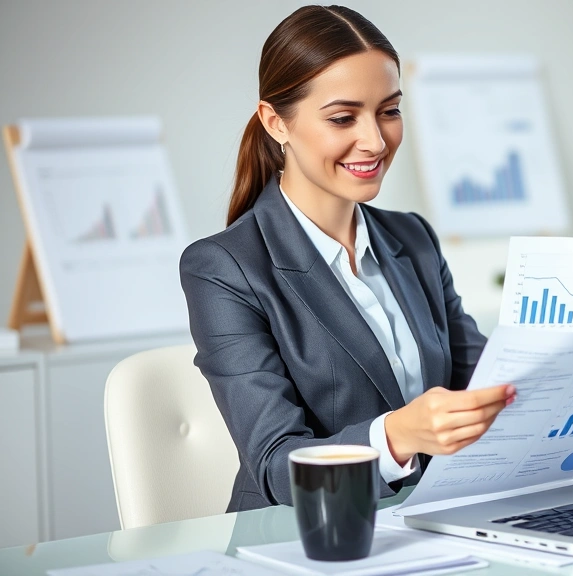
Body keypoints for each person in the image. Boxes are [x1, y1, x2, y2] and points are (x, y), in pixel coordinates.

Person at [179, 5, 515, 512]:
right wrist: (397, 436)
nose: (376, 140)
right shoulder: (224, 269)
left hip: (425, 524)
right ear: (276, 123)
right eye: (343, 118)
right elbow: (275, 465)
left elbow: (487, 382)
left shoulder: (413, 237)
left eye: (389, 110)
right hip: (302, 539)